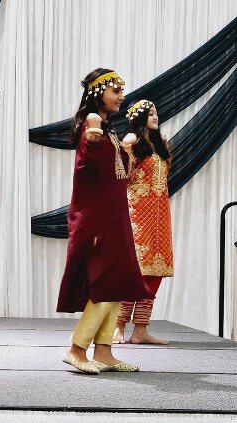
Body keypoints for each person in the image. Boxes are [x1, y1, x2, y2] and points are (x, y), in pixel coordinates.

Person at [57, 69, 152, 374]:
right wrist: (94, 133)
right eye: (116, 92)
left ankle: (105, 351)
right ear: (98, 93)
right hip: (99, 218)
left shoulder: (108, 127)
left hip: (114, 215)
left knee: (117, 282)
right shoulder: (93, 124)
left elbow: (116, 173)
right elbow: (87, 170)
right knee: (102, 283)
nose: (121, 98)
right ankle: (76, 349)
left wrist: (122, 149)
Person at [112, 100, 173, 345]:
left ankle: (140, 330)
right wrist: (125, 149)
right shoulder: (131, 142)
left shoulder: (160, 146)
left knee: (155, 271)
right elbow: (120, 175)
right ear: (139, 117)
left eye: (157, 112)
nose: (155, 116)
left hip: (160, 213)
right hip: (136, 212)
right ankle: (118, 326)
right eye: (151, 113)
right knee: (134, 269)